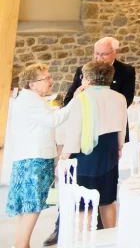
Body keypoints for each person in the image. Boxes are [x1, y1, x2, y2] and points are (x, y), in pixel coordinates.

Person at [7, 65, 73, 248]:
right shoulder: (30, 101)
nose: (51, 81)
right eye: (46, 78)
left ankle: (22, 244)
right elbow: (53, 120)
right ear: (32, 84)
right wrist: (75, 101)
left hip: (28, 159)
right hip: (33, 160)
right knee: (32, 206)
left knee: (27, 206)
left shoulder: (30, 99)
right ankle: (21, 245)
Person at [58, 61, 128, 232]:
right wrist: (119, 147)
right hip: (109, 149)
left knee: (85, 204)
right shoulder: (119, 97)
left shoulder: (81, 99)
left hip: (86, 154)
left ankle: (86, 242)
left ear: (87, 79)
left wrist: (64, 157)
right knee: (108, 199)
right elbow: (122, 124)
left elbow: (74, 131)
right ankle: (112, 240)